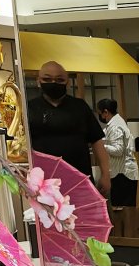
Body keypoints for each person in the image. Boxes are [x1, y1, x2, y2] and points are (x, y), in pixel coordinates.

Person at [27, 61, 110, 195]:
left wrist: (105, 174)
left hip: (80, 180)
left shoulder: (80, 107)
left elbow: (97, 141)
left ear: (68, 83)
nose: (53, 83)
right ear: (38, 81)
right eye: (47, 79)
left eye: (59, 80)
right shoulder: (29, 108)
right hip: (43, 184)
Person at [97, 98, 139, 206]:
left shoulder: (115, 125)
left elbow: (118, 150)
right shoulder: (116, 122)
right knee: (122, 207)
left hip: (123, 174)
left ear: (106, 112)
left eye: (100, 113)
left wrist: (101, 146)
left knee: (122, 208)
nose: (100, 116)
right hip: (121, 173)